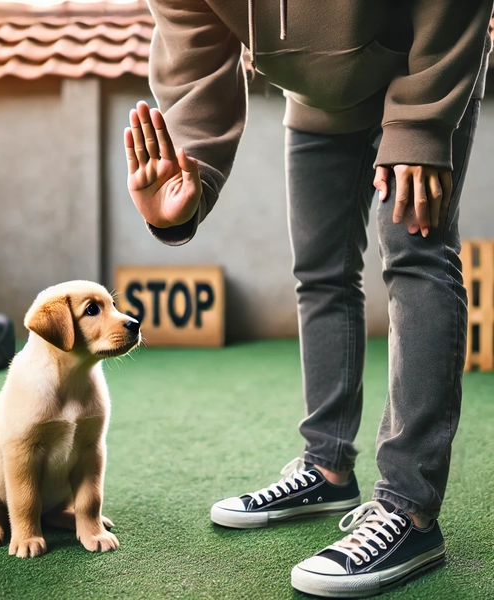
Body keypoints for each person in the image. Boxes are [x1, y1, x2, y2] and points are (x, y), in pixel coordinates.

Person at [124, 1, 493, 597]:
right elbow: (194, 61)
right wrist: (185, 188)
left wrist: (422, 124)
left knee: (415, 256)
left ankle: (411, 509)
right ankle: (327, 468)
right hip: (319, 101)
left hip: (421, 67)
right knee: (320, 273)